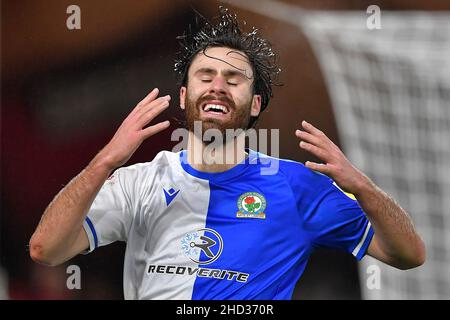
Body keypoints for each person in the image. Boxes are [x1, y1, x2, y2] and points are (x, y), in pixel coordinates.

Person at [30, 7, 425, 300]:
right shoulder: (139, 181)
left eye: (233, 79)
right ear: (185, 96)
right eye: (205, 76)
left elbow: (408, 254)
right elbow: (46, 249)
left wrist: (362, 187)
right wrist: (105, 161)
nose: (217, 86)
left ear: (254, 105)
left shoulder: (297, 186)